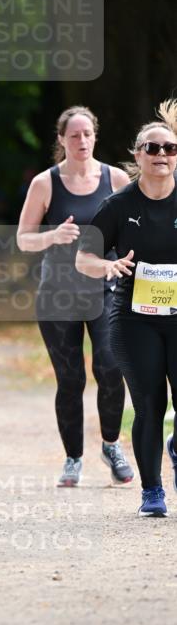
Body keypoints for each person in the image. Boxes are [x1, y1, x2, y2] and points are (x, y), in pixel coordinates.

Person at [17, 106, 134, 487]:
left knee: (110, 369)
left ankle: (112, 445)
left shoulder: (116, 179)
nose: (81, 141)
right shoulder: (46, 183)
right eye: (73, 135)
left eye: (87, 134)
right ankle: (72, 459)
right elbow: (23, 239)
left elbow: (135, 228)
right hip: (59, 295)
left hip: (105, 290)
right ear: (61, 139)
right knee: (70, 380)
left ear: (95, 136)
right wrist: (52, 236)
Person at [76, 100, 177, 517]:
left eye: (169, 148)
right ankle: (152, 491)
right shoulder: (119, 206)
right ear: (137, 155)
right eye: (151, 149)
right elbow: (84, 258)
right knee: (151, 404)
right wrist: (108, 265)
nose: (161, 156)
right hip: (134, 318)